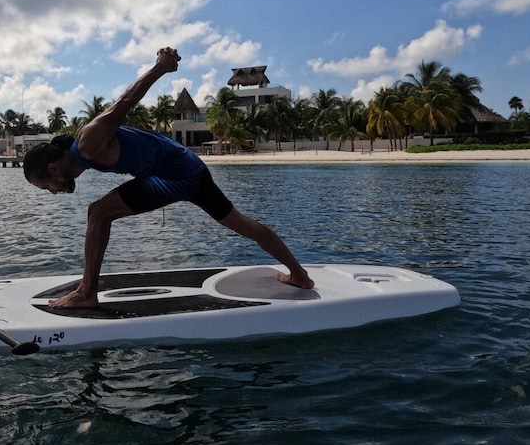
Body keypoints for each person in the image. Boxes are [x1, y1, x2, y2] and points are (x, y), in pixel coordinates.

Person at [23, 47, 314, 309]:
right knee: (242, 224)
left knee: (98, 212)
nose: (52, 192)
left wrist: (160, 68)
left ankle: (87, 292)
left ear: (53, 169)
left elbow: (124, 103)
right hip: (192, 169)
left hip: (174, 175)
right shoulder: (83, 154)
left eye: (46, 187)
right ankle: (300, 275)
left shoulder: (88, 142)